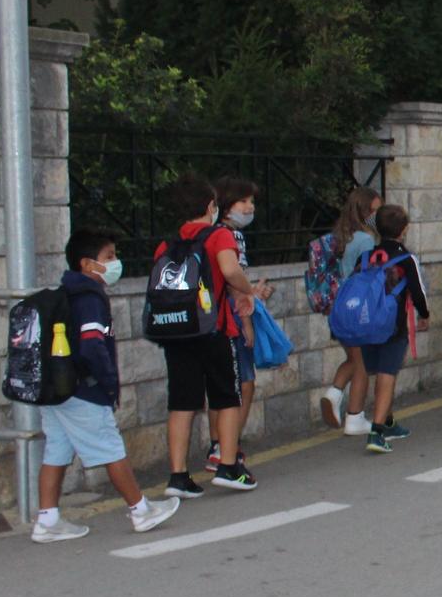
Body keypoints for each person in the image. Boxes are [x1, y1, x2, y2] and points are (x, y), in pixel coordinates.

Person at [29, 229, 180, 543]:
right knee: (111, 449)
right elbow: (92, 346)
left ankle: (48, 519)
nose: (116, 262)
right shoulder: (89, 299)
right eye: (109, 257)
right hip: (84, 388)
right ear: (87, 264)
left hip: (57, 387)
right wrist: (108, 385)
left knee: (56, 451)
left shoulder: (66, 293)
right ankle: (141, 510)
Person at [153, 175, 258, 496]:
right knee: (227, 396)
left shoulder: (167, 243)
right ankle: (228, 465)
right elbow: (229, 270)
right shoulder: (218, 236)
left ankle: (178, 476)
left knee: (182, 402)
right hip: (213, 329)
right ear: (211, 206)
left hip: (176, 330)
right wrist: (248, 289)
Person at [205, 176, 272, 473]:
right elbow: (233, 282)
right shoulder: (229, 237)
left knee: (220, 385)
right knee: (243, 383)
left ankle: (217, 444)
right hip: (230, 317)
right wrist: (247, 317)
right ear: (225, 204)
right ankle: (228, 447)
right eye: (243, 201)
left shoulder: (209, 233)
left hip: (209, 317)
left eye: (252, 202)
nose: (249, 207)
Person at [357, 204, 429, 454]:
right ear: (404, 230)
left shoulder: (365, 257)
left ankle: (388, 421)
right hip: (393, 324)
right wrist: (425, 315)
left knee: (378, 373)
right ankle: (377, 431)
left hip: (366, 325)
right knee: (388, 374)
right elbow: (418, 292)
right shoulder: (406, 259)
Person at [321, 186, 381, 435]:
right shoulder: (366, 239)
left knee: (353, 358)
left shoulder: (341, 235)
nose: (378, 215)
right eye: (376, 210)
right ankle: (355, 417)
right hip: (358, 308)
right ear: (366, 210)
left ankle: (334, 394)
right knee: (363, 364)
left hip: (339, 308)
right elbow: (369, 274)